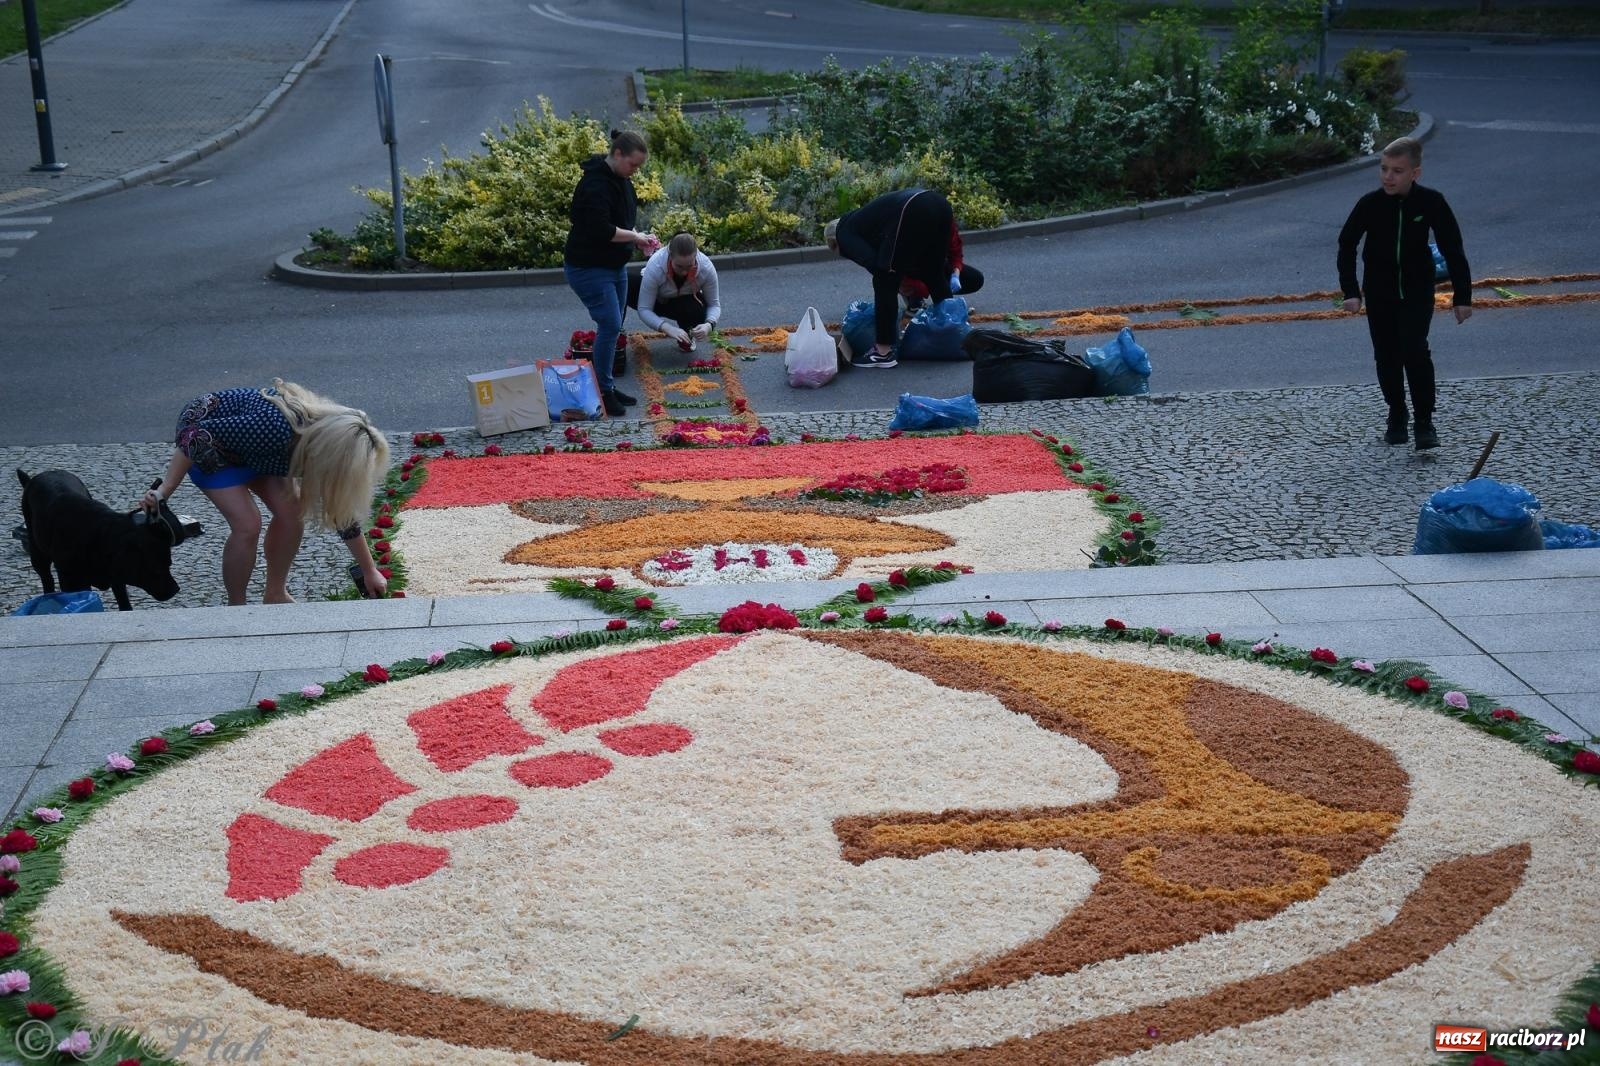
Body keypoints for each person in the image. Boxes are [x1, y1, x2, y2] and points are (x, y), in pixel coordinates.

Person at [140, 379, 391, 605]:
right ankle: (236, 606)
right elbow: (193, 436)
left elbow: (341, 512)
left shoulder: (319, 445)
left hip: (256, 449)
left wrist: (369, 570)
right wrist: (165, 490)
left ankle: (275, 594)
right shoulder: (275, 429)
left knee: (292, 513)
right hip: (206, 444)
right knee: (248, 524)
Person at [1338, 136, 1471, 450]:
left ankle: (1424, 422)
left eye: (1397, 171)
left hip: (1416, 290)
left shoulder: (1431, 202)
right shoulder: (1370, 204)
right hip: (1380, 292)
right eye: (1384, 169)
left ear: (1415, 173)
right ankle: (1397, 413)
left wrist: (1462, 297)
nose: (1388, 176)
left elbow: (1453, 249)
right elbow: (1347, 244)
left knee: (1414, 350)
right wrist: (1351, 290)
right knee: (1386, 355)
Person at [825, 188, 984, 368]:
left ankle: (882, 352)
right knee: (933, 272)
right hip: (939, 204)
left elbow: (875, 264)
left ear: (834, 242)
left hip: (914, 209)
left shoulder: (843, 233)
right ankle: (952, 330)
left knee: (884, 280)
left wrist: (897, 281)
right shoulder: (863, 221)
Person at [563, 129, 660, 416]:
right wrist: (635, 237)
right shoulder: (593, 185)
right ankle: (603, 391)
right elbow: (602, 229)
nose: (635, 171)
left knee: (614, 326)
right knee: (609, 325)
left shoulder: (620, 179)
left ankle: (607, 385)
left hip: (612, 265)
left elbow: (623, 219)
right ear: (618, 154)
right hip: (588, 267)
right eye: (633, 164)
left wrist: (638, 239)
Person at [628, 232, 722, 352]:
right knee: (624, 283)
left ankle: (687, 333)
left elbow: (714, 304)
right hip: (656, 299)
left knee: (700, 310)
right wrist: (667, 328)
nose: (684, 272)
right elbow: (644, 309)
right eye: (679, 266)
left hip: (682, 301)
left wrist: (709, 325)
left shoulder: (706, 267)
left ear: (696, 256)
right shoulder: (656, 265)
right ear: (670, 256)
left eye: (689, 266)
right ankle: (616, 336)